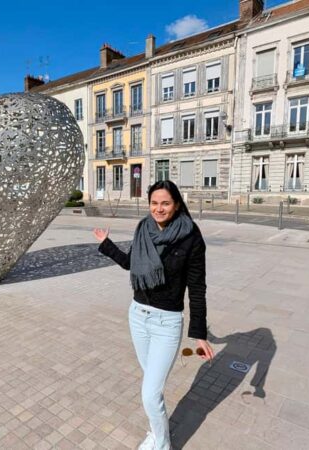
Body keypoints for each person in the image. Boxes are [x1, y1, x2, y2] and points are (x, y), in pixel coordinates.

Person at [93, 180, 213, 450]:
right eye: (154, 203)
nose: (159, 209)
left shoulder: (191, 237)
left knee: (149, 393)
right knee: (152, 388)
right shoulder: (144, 229)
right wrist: (106, 244)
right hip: (138, 316)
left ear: (177, 204)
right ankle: (157, 433)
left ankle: (161, 444)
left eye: (165, 203)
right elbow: (130, 264)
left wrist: (199, 334)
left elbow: (197, 288)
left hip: (166, 322)